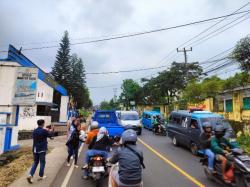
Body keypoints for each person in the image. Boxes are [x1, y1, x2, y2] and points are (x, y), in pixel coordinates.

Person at [27, 119, 53, 184]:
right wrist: (51, 130)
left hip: (35, 149)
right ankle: (41, 175)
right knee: (42, 162)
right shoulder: (44, 131)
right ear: (43, 124)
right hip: (42, 149)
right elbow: (50, 136)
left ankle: (30, 175)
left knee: (35, 162)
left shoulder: (34, 131)